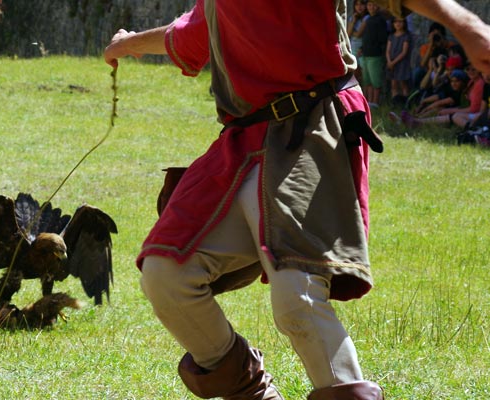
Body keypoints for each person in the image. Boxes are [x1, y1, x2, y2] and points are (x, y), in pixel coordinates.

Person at [103, 0, 490, 399]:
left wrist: (465, 24)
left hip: (313, 126)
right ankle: (252, 393)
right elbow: (186, 34)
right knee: (166, 274)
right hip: (243, 142)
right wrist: (128, 44)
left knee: (297, 297)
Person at [361, 1, 389, 106]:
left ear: (378, 6)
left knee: (375, 81)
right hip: (366, 54)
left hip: (375, 55)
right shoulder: (368, 19)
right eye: (369, 5)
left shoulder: (381, 20)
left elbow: (383, 38)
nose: (371, 7)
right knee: (367, 81)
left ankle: (375, 102)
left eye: (374, 5)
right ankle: (367, 102)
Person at [386, 16, 412, 104]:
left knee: (403, 83)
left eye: (400, 21)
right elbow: (388, 50)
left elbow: (404, 52)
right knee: (394, 84)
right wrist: (389, 61)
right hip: (392, 63)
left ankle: (406, 103)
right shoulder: (391, 36)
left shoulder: (406, 36)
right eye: (396, 22)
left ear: (404, 23)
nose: (398, 24)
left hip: (401, 63)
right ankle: (395, 102)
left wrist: (393, 62)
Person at [348, 1, 370, 81]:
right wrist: (353, 21)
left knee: (363, 74)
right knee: (355, 73)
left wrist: (353, 32)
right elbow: (348, 34)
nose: (359, 7)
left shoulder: (367, 17)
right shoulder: (353, 17)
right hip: (353, 48)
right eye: (357, 4)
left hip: (362, 47)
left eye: (362, 4)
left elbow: (358, 34)